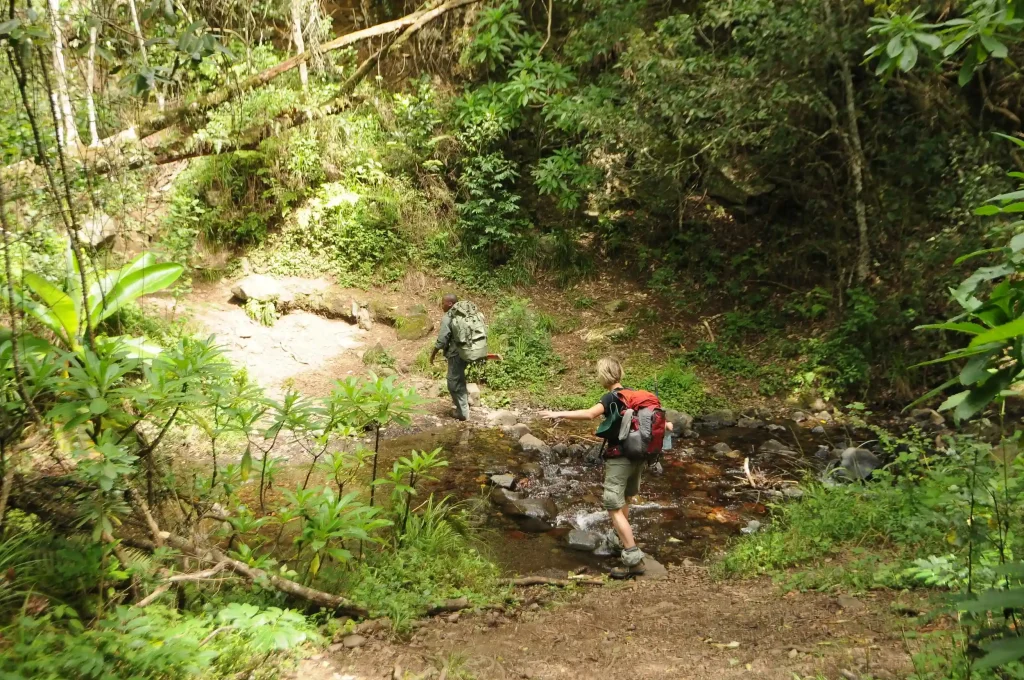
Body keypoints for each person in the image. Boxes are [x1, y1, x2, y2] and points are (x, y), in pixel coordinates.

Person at [539, 357, 667, 579]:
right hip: (639, 456)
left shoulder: (611, 397)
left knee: (613, 507)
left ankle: (632, 558)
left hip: (620, 459)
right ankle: (619, 541)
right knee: (625, 500)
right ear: (620, 373)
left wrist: (557, 414)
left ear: (603, 376)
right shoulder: (634, 396)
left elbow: (589, 414)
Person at [430, 293, 470, 421]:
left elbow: (442, 340)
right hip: (467, 352)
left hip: (456, 354)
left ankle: (462, 413)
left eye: (443, 303)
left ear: (450, 304)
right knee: (460, 379)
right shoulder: (464, 315)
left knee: (452, 382)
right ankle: (464, 408)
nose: (441, 306)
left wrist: (433, 354)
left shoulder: (448, 317)